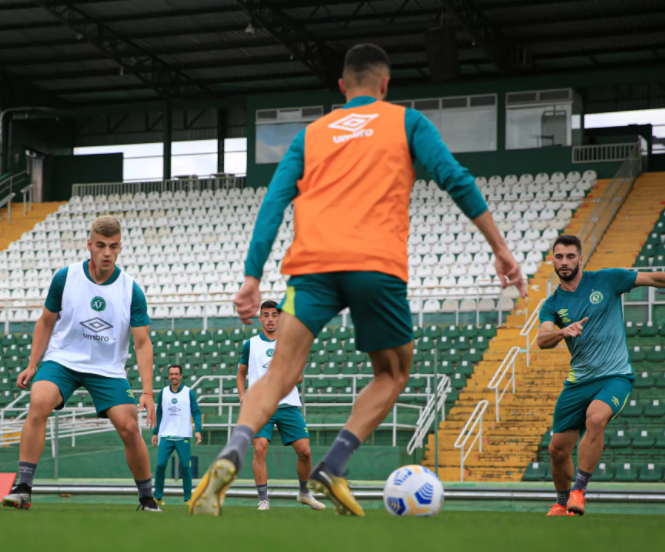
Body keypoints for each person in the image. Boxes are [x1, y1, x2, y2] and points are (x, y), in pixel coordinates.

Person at [189, 43, 524, 517]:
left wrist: (251, 276)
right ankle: (334, 465)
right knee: (393, 372)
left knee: (280, 373)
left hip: (310, 266)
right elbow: (455, 177)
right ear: (385, 85)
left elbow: (273, 203)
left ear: (342, 87)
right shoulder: (405, 121)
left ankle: (233, 452)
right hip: (375, 264)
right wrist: (501, 248)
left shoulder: (312, 134)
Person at [537, 234, 665, 516]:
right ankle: (561, 504)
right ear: (553, 260)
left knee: (596, 418)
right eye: (559, 257)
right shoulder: (552, 303)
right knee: (557, 450)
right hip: (577, 383)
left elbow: (655, 279)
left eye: (570, 256)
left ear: (581, 259)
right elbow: (542, 338)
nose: (564, 262)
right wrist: (563, 331)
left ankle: (579, 492)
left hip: (615, 377)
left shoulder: (607, 280)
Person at [2, 216, 159, 511]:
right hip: (64, 359)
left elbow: (142, 343)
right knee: (39, 401)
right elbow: (45, 322)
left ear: (120, 247)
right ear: (90, 245)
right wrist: (32, 364)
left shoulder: (131, 290)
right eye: (100, 246)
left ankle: (147, 498)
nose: (107, 253)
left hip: (107, 368)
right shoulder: (66, 277)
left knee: (129, 426)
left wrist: (148, 392)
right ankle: (23, 488)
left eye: (113, 246)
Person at [237, 301, 324, 511]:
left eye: (274, 315)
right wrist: (242, 396)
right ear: (259, 318)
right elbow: (241, 374)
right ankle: (263, 500)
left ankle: (304, 493)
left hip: (288, 403)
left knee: (305, 452)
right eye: (265, 315)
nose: (270, 319)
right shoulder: (250, 344)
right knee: (260, 449)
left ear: (280, 318)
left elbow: (300, 376)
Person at [151, 364, 202, 505]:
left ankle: (187, 499)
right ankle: (158, 497)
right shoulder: (163, 392)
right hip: (166, 436)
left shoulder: (188, 392)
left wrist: (198, 430)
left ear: (181, 376)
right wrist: (155, 432)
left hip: (183, 436)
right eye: (171, 374)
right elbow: (159, 413)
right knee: (160, 466)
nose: (174, 376)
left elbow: (196, 412)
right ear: (168, 376)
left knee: (186, 467)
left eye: (176, 374)